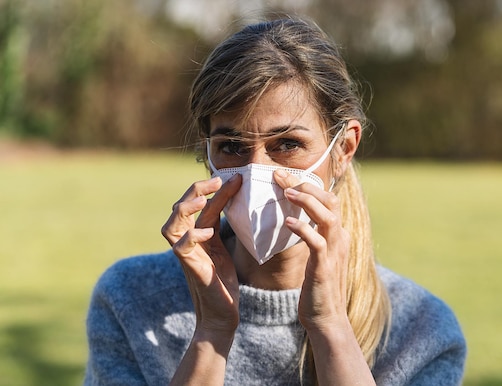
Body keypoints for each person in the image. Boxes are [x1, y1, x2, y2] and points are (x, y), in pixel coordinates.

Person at [84, 17, 466, 386]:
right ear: (208, 154)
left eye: (287, 144)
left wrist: (330, 324)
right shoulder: (130, 299)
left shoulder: (420, 332)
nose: (256, 171)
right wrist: (213, 331)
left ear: (344, 148)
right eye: (232, 146)